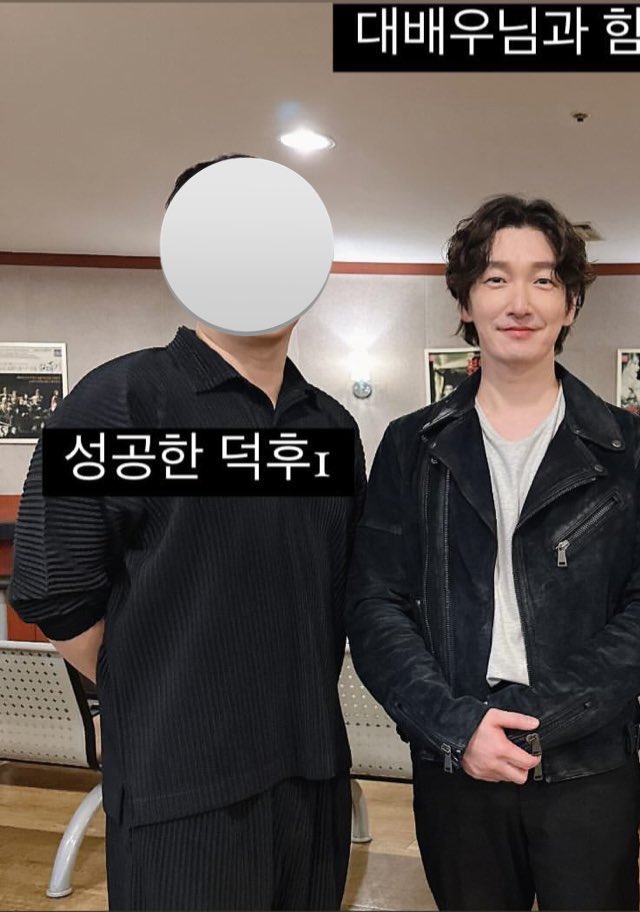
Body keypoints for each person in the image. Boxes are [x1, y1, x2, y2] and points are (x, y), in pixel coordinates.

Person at [7, 154, 365, 911]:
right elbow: (55, 592)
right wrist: (160, 684)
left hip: (312, 774)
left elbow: (341, 588)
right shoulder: (122, 401)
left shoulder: (329, 429)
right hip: (180, 788)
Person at [346, 194, 640, 911]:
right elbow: (375, 603)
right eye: (496, 278)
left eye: (544, 279)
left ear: (570, 304)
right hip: (456, 762)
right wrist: (457, 725)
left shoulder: (630, 448)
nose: (520, 301)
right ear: (465, 301)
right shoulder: (411, 445)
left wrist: (544, 716)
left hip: (588, 762)